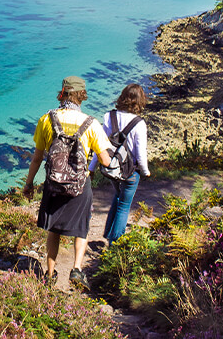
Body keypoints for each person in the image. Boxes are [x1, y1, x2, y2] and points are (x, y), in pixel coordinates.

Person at [23, 75, 112, 290]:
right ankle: (77, 270)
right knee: (81, 228)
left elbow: (37, 158)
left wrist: (28, 184)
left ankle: (50, 273)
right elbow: (106, 161)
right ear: (82, 95)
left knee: (53, 228)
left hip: (53, 184)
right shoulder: (91, 123)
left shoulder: (47, 119)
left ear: (62, 94)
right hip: (80, 185)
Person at [92, 83, 150, 246]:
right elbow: (140, 152)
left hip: (112, 168)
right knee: (124, 205)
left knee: (117, 197)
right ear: (140, 101)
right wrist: (145, 172)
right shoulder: (139, 123)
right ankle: (114, 243)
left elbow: (100, 145)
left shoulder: (108, 117)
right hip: (131, 171)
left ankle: (108, 232)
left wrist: (91, 168)